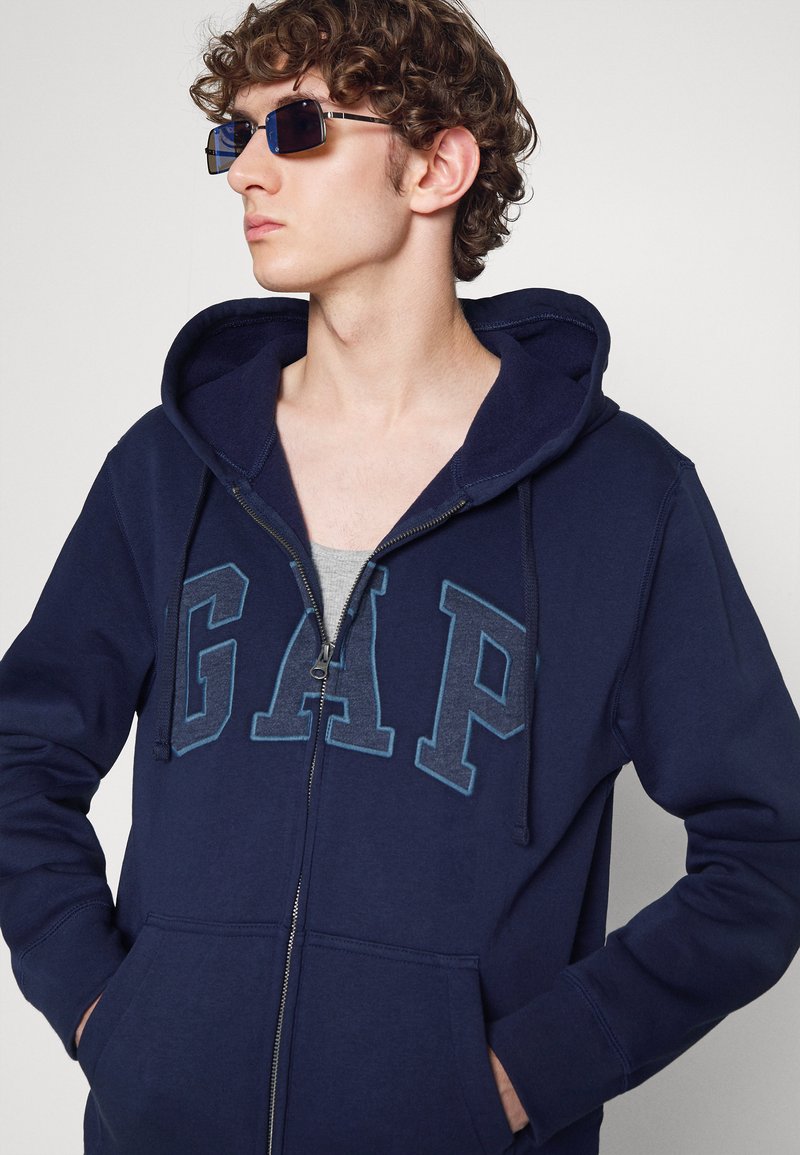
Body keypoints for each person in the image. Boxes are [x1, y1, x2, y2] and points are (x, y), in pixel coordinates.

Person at [1, 0, 799, 1152]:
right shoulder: (168, 470)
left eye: (298, 127)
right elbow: (21, 756)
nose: (245, 172)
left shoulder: (623, 499)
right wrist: (103, 1011)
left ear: (436, 166)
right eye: (234, 136)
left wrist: (522, 1077)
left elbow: (766, 848)